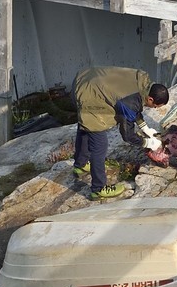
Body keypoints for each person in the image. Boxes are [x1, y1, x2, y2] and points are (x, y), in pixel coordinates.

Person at [72, 66, 169, 200]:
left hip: (85, 78)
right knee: (100, 145)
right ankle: (98, 189)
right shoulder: (129, 102)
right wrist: (147, 143)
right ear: (151, 99)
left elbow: (135, 106)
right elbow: (127, 135)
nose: (155, 108)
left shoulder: (143, 82)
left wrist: (145, 128)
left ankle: (80, 165)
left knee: (86, 127)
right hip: (89, 94)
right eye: (156, 106)